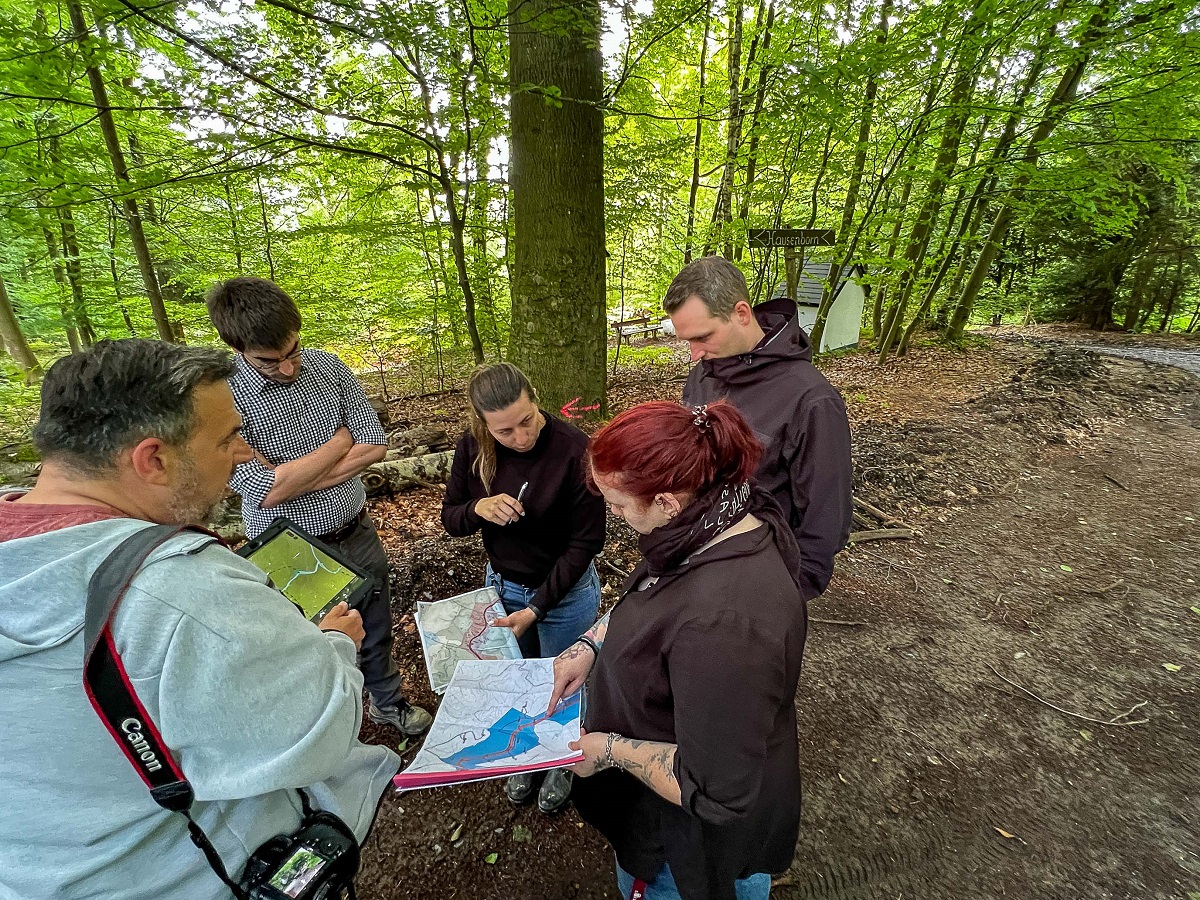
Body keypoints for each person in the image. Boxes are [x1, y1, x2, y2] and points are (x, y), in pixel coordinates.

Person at [0, 339, 399, 899]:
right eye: (227, 438)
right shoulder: (180, 588)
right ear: (153, 459)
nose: (242, 454)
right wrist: (332, 646)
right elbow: (315, 735)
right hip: (202, 876)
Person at [550, 400, 807, 900]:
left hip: (682, 850)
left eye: (620, 506)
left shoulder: (724, 626)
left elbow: (715, 790)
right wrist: (589, 644)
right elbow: (651, 597)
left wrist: (605, 750)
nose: (615, 516)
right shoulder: (719, 517)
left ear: (667, 502)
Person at [206, 277, 431, 736]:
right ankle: (324, 728)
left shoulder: (330, 369)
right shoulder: (221, 400)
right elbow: (262, 491)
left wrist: (292, 475)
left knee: (374, 627)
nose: (288, 368)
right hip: (287, 549)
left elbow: (373, 445)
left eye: (293, 351)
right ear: (238, 346)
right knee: (306, 642)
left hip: (355, 529)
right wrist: (337, 443)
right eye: (270, 361)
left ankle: (386, 703)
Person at [442, 362, 606, 813]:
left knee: (564, 680)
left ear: (535, 399)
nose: (520, 437)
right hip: (503, 586)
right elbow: (450, 518)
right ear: (482, 424)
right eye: (505, 431)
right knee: (519, 676)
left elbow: (587, 542)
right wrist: (479, 507)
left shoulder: (574, 450)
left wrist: (536, 608)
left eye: (527, 420)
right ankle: (527, 752)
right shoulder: (473, 448)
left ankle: (559, 758)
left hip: (564, 594)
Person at [664, 255, 853, 601]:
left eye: (702, 336)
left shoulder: (811, 400)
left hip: (762, 574)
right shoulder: (703, 374)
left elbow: (827, 517)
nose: (693, 354)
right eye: (686, 340)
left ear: (741, 313)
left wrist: (789, 592)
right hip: (696, 559)